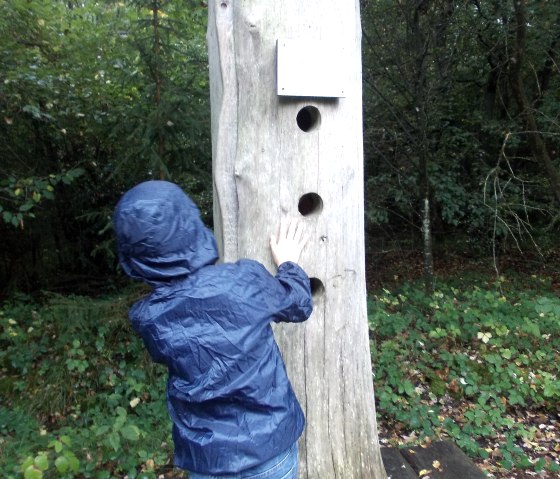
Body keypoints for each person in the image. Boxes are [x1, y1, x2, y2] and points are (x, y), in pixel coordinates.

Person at [113, 180, 313, 479]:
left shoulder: (147, 319)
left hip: (208, 462)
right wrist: (289, 264)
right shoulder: (243, 281)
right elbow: (299, 304)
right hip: (270, 452)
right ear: (189, 224)